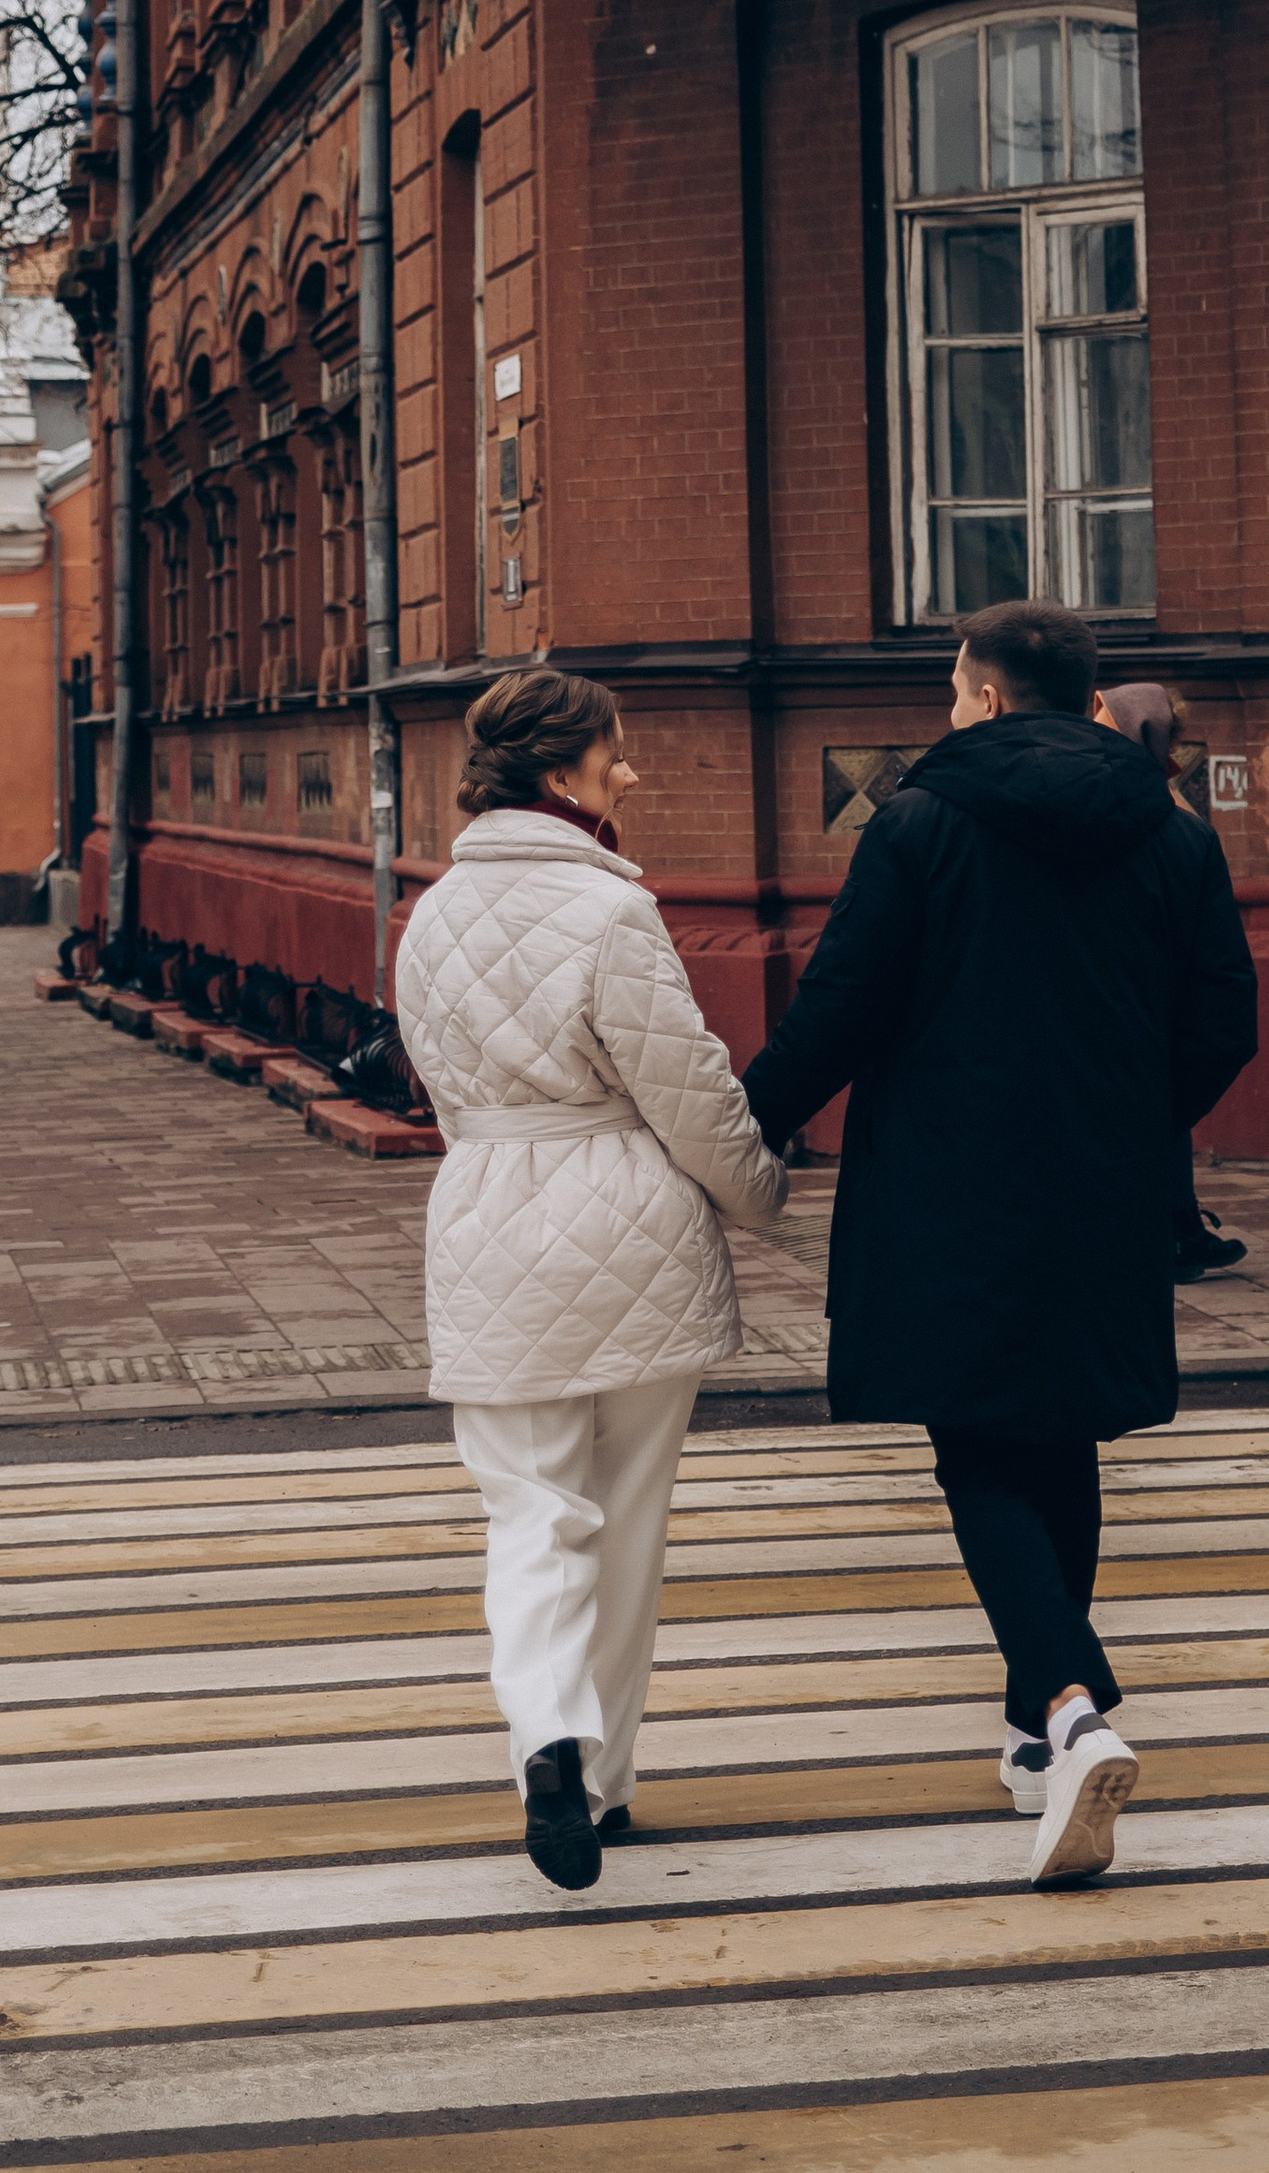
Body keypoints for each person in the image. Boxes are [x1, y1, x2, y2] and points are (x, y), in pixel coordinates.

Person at [743, 599, 1258, 1888]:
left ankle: (1075, 1707)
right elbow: (1223, 1021)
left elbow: (842, 1006)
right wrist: (1136, 1123)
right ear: (1089, 700)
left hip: (948, 1184)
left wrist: (740, 1128)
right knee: (1059, 1431)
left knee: (974, 1438)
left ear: (974, 693)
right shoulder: (1173, 831)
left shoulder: (918, 819)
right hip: (1104, 1183)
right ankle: (1034, 1732)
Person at [395, 664, 789, 1892]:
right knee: (624, 1526)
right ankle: (601, 1781)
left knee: (529, 1515)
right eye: (616, 753)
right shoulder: (610, 913)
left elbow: (440, 1086)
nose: (631, 772)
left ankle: (544, 1743)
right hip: (624, 1228)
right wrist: (764, 1200)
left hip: (485, 1227)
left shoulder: (429, 913)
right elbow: (686, 1090)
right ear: (562, 772)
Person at [1095, 685, 1249, 1279]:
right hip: (1148, 1005)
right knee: (1160, 1123)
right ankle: (1177, 1231)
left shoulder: (1160, 816)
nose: (1090, 723)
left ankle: (1176, 1232)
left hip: (1143, 1000)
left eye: (1103, 717)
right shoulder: (1166, 809)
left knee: (1157, 1123)